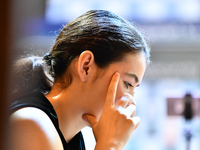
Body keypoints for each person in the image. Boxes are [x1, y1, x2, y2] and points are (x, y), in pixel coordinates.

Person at [9, 10, 150, 150]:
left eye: (134, 88)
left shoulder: (84, 139)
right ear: (86, 66)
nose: (130, 101)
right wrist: (110, 146)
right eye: (128, 84)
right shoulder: (32, 125)